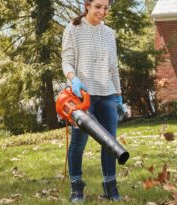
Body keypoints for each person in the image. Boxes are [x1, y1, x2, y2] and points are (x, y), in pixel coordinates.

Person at [61, 0, 123, 202]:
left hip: (107, 94)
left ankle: (110, 186)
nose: (102, 11)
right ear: (87, 5)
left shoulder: (109, 33)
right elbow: (66, 60)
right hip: (82, 97)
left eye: (106, 8)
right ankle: (76, 187)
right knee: (78, 143)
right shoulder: (73, 29)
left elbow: (113, 67)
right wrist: (74, 79)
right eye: (98, 6)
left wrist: (118, 95)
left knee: (110, 143)